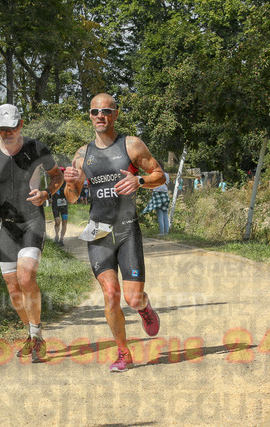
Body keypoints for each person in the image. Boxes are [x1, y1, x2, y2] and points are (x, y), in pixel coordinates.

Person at [63, 93, 165, 372]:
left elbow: (159, 175)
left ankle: (144, 307)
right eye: (95, 111)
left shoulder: (131, 145)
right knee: (110, 293)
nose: (100, 116)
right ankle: (123, 352)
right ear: (90, 115)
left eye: (106, 111)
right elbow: (72, 197)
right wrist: (70, 183)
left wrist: (139, 180)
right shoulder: (82, 155)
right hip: (98, 231)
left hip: (127, 229)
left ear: (115, 115)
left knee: (132, 299)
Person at [0, 104, 63, 363]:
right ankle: (32, 334)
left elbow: (57, 176)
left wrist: (47, 193)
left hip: (31, 221)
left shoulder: (36, 148)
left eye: (11, 128)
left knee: (26, 276)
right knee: (13, 287)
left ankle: (37, 335)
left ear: (20, 125)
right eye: (2, 129)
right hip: (3, 226)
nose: (7, 133)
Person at [141, 168, 171, 235]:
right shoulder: (166, 175)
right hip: (165, 194)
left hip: (157, 194)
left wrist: (152, 194)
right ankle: (166, 232)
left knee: (160, 215)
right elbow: (167, 185)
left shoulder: (154, 175)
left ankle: (161, 232)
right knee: (165, 214)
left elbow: (152, 186)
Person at [50, 171, 68, 246]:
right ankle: (57, 235)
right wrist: (49, 198)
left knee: (64, 222)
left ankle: (61, 239)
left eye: (62, 172)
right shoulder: (53, 182)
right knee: (57, 222)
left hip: (64, 205)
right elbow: (49, 191)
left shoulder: (67, 183)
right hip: (55, 205)